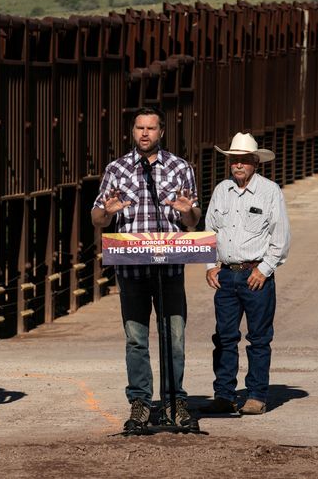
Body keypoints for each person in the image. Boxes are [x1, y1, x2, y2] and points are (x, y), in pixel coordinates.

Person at [91, 107, 201, 430]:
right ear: (133, 131)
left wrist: (187, 212)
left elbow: (193, 221)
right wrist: (107, 214)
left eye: (150, 128)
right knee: (136, 339)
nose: (144, 133)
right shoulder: (117, 169)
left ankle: (174, 401)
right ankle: (140, 401)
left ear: (161, 132)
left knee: (175, 336)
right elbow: (96, 217)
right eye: (139, 127)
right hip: (131, 272)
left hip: (169, 271)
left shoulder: (180, 169)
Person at [202, 132, 290, 415]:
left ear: (255, 162)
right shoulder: (221, 191)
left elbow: (280, 235)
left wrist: (265, 269)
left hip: (256, 275)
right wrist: (210, 265)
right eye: (233, 161)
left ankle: (256, 395)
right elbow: (210, 229)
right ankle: (224, 393)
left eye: (243, 161)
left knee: (259, 338)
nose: (238, 166)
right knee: (225, 336)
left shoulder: (270, 191)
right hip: (227, 275)